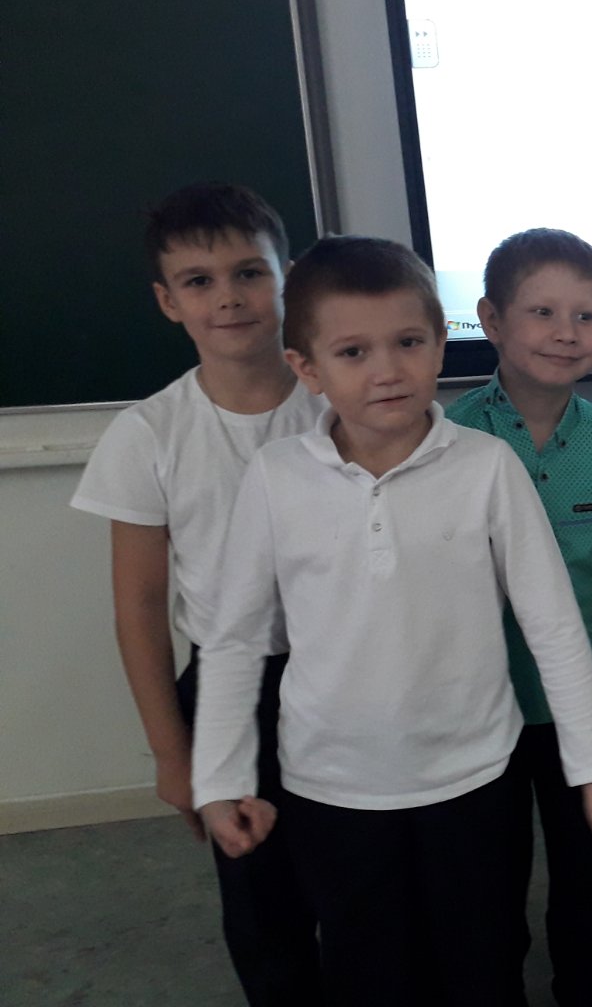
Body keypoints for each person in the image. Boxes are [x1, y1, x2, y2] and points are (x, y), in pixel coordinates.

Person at [189, 236, 592, 1007]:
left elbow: (555, 628)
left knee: (484, 965)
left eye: (408, 343)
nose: (387, 370)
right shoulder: (276, 477)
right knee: (369, 972)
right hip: (331, 790)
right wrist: (220, 778)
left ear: (439, 347)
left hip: (474, 782)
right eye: (353, 352)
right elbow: (233, 639)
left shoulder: (486, 467)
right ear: (306, 368)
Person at [70, 183, 322, 1005]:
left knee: (362, 873)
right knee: (262, 896)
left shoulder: (340, 403)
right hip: (229, 690)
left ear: (287, 277)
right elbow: (140, 607)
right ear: (168, 301)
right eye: (200, 281)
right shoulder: (149, 433)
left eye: (250, 272)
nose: (229, 298)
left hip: (348, 672)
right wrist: (173, 756)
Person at [447, 229, 592, 1006]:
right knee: (485, 887)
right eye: (542, 312)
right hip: (480, 715)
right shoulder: (449, 438)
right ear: (491, 320)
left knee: (590, 879)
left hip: (581, 711)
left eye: (587, 316)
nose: (566, 333)